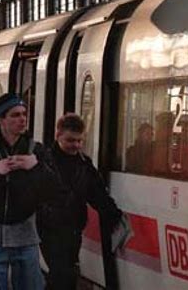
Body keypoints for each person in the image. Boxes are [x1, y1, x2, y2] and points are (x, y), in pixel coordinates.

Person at [0, 93, 56, 290]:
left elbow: (53, 191)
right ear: (1, 120)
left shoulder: (36, 151)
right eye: (15, 115)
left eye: (24, 114)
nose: (22, 119)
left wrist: (36, 167)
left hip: (26, 235)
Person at [36, 113, 123, 290]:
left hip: (73, 229)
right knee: (62, 273)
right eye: (70, 140)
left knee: (66, 275)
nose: (75, 145)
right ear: (57, 136)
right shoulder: (44, 161)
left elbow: (97, 193)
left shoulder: (84, 165)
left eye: (79, 141)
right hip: (48, 228)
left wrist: (113, 213)